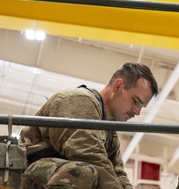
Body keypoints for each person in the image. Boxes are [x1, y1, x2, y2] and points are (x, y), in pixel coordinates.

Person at [19, 62, 159, 189]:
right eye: (135, 101)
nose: (137, 111)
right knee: (83, 172)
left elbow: (117, 174)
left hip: (55, 173)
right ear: (118, 86)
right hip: (27, 170)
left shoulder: (108, 129)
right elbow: (87, 154)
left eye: (142, 106)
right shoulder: (78, 101)